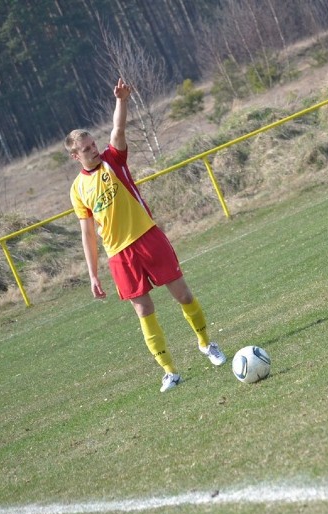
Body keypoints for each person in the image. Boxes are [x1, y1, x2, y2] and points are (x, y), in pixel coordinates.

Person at [66, 77, 226, 393]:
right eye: (85, 149)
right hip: (119, 255)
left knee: (183, 295)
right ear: (75, 156)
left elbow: (118, 131)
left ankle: (207, 344)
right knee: (144, 311)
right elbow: (87, 235)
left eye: (93, 144)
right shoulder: (77, 190)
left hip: (148, 237)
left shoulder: (113, 160)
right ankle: (170, 371)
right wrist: (93, 276)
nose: (92, 150)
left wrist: (122, 100)